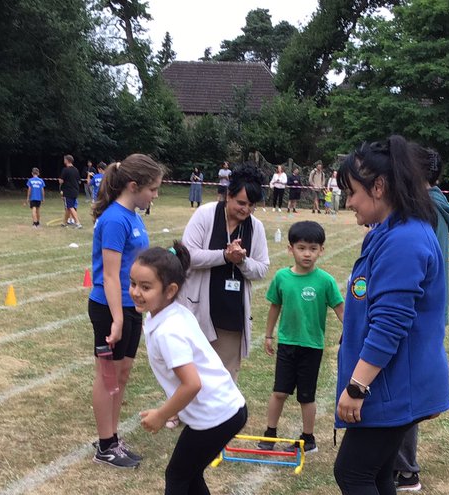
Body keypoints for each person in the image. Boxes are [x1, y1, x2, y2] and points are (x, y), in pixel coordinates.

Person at [314, 136, 449, 495]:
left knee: (351, 471)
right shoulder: (387, 231)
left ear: (380, 185)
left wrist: (357, 386)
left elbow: (391, 323)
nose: (347, 201)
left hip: (393, 385)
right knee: (375, 473)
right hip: (391, 383)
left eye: (352, 191)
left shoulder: (407, 238)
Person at [129, 243, 248, 495]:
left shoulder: (169, 330)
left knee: (177, 475)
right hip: (223, 410)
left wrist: (162, 413)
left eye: (146, 287)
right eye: (133, 284)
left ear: (170, 290)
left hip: (217, 415)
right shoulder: (169, 314)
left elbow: (191, 383)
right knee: (189, 472)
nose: (136, 292)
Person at [89, 153, 163, 468]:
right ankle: (105, 445)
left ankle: (113, 438)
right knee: (108, 376)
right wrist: (117, 318)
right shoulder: (115, 219)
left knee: (122, 373)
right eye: (153, 189)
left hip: (131, 306)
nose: (155, 195)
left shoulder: (133, 216)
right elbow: (109, 274)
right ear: (134, 186)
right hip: (110, 308)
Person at [393, 147, 449, 493]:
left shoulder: (425, 208)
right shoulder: (437, 205)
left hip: (418, 308)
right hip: (430, 307)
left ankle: (405, 469)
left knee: (404, 388)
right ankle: (401, 465)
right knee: (407, 385)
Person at [259, 220, 344, 456]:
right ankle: (269, 434)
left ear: (321, 250)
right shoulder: (282, 278)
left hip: (312, 346)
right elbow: (275, 306)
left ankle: (308, 438)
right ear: (290, 249)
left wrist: (350, 332)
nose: (307, 254)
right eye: (302, 247)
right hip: (287, 344)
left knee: (306, 396)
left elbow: (340, 309)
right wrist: (268, 335)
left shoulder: (325, 281)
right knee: (279, 392)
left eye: (313, 248)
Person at [180, 163, 270, 381]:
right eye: (241, 203)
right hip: (197, 311)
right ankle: (180, 415)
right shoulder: (205, 215)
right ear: (228, 195)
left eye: (251, 205)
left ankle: (221, 416)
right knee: (191, 375)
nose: (245, 210)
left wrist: (242, 261)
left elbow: (262, 268)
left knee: (223, 380)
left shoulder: (255, 227)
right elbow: (187, 255)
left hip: (232, 315)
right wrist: (224, 256)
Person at [59, 154, 82, 228]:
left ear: (67, 160)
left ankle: (78, 223)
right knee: (68, 207)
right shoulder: (76, 169)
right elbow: (79, 181)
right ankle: (64, 223)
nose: (64, 160)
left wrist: (60, 181)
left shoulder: (65, 170)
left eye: (64, 159)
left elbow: (61, 181)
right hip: (75, 190)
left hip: (68, 191)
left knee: (70, 207)